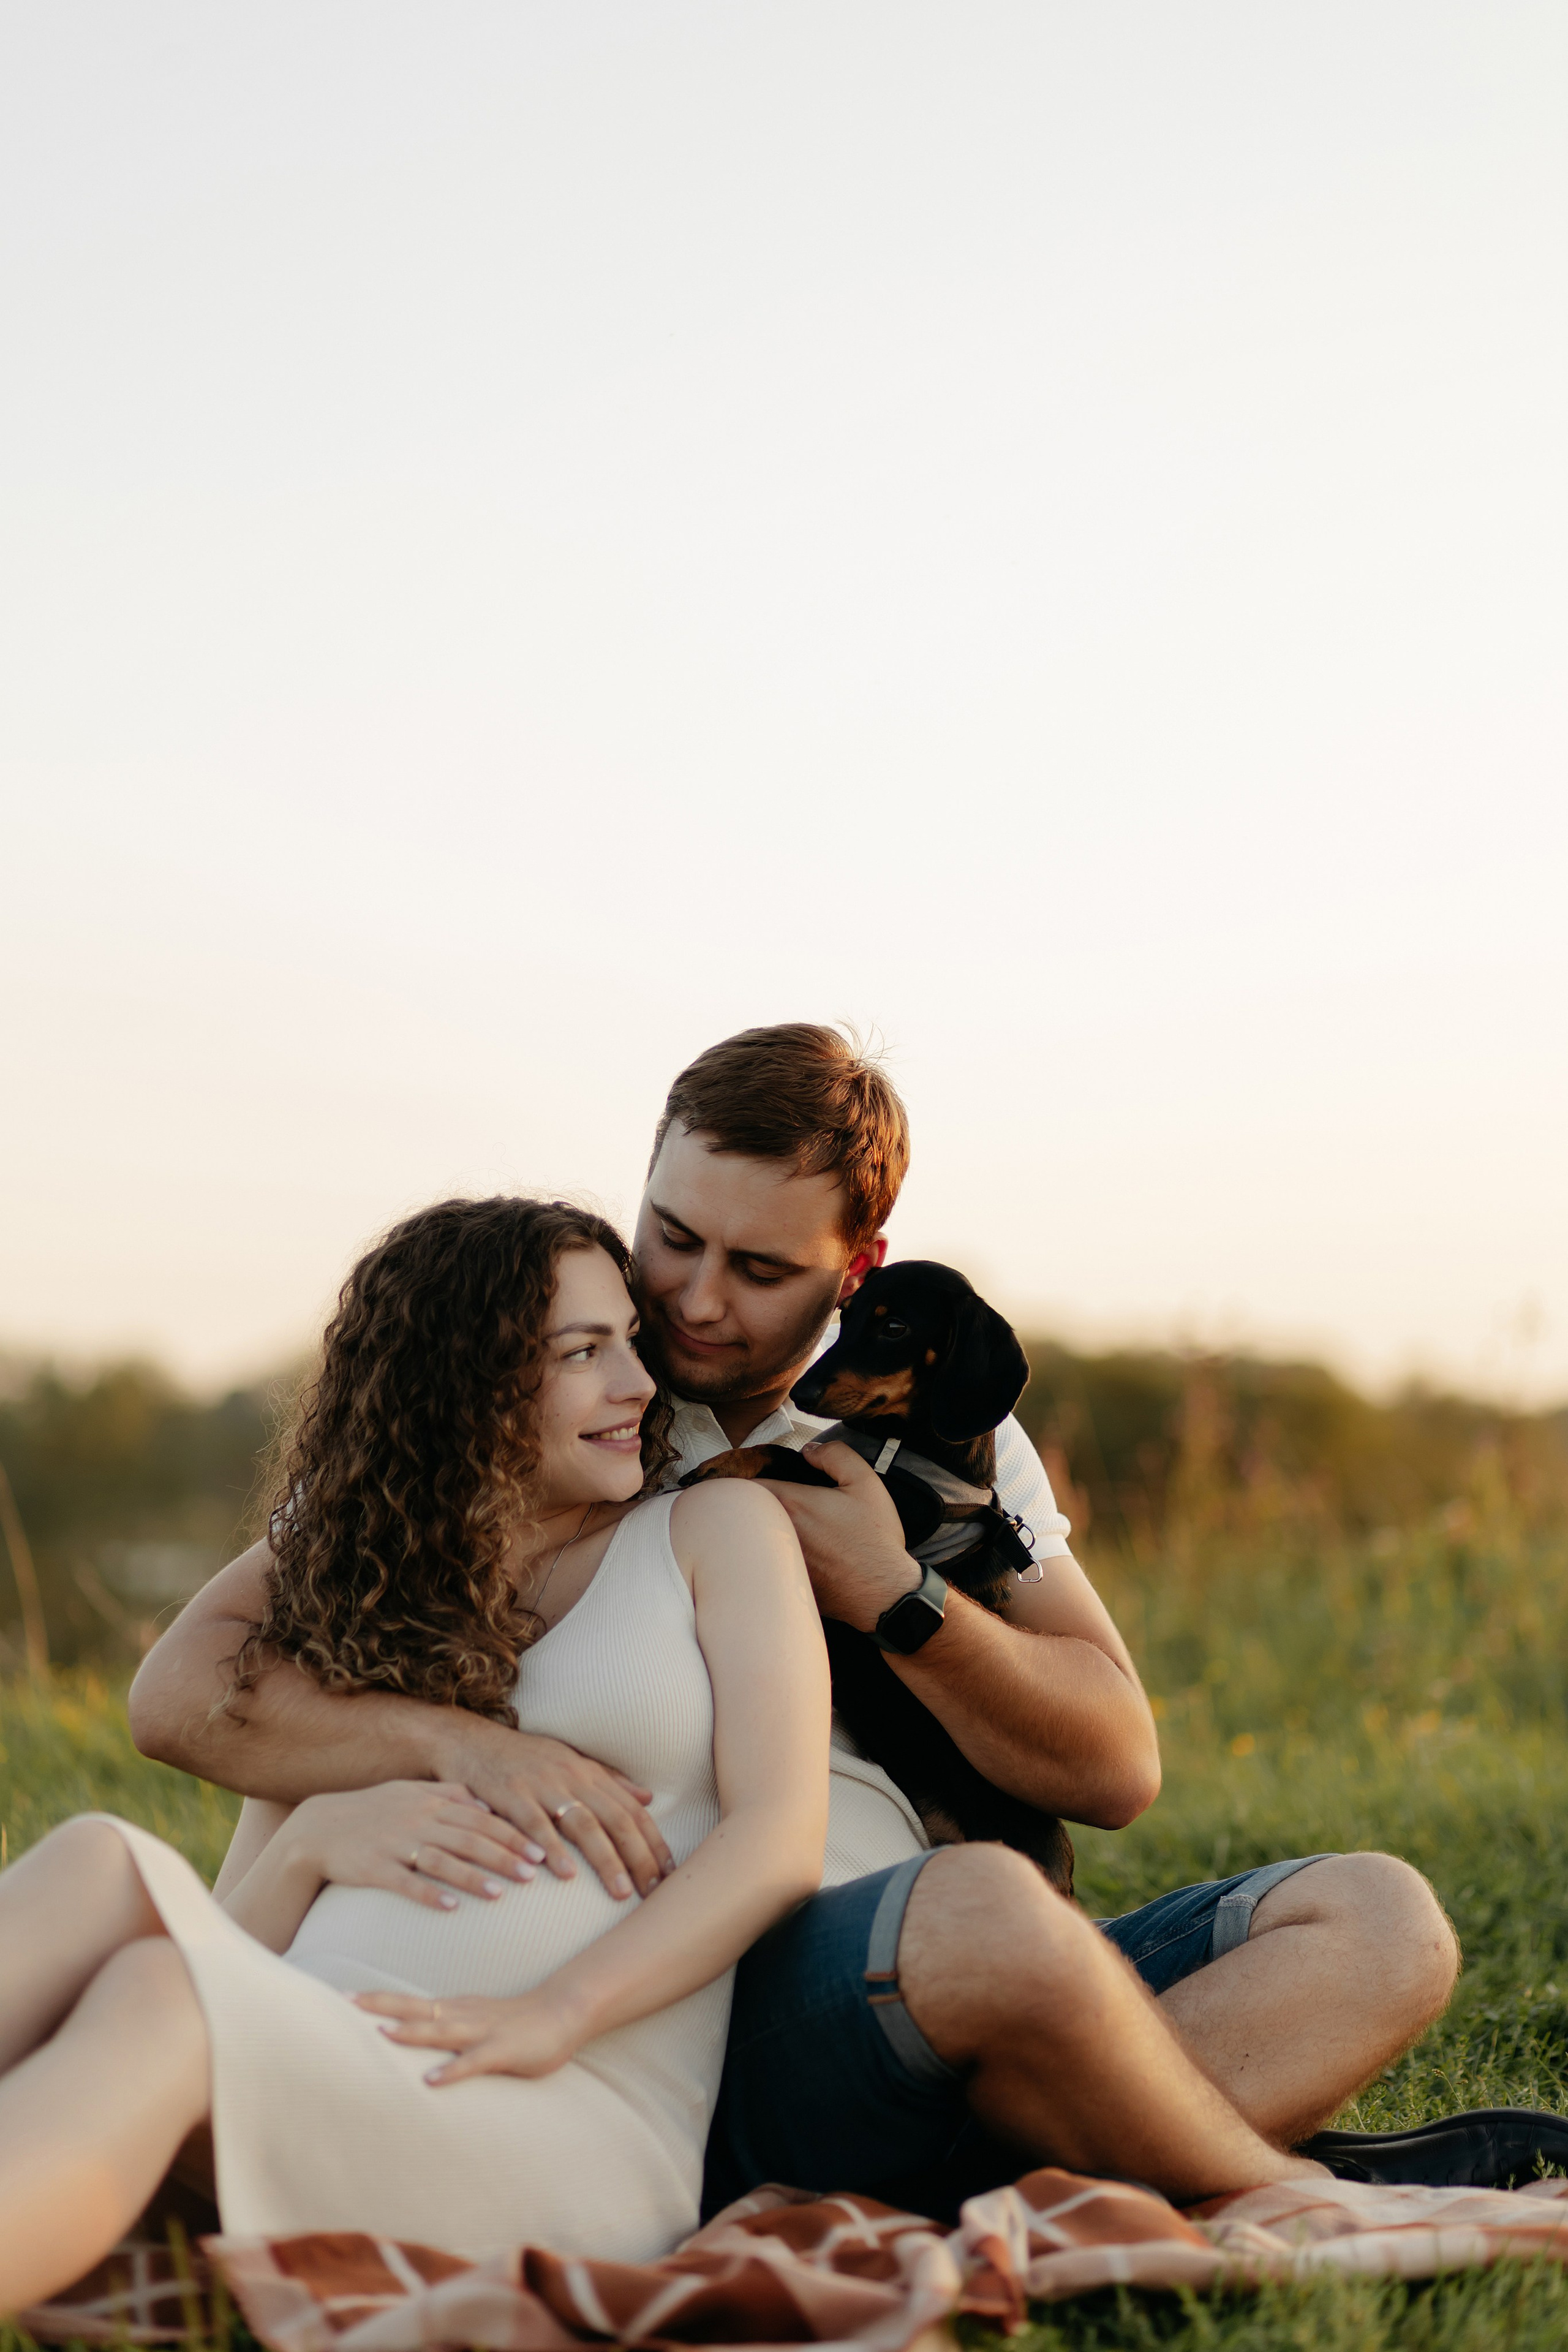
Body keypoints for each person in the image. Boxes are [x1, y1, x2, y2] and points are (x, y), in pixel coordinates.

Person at [135, 1026, 1554, 2207]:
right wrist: (468, 1751)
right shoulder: (534, 1383)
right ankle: (1213, 2168)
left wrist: (893, 1593)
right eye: (672, 1237)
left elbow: (1112, 1765)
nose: (690, 1303)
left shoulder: (931, 1430)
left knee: (1381, 1925)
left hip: (941, 1952)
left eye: (759, 1272)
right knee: (981, 1922)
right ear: (641, 1183)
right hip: (712, 1968)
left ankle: (1060, 2158)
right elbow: (186, 1689)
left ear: (856, 1267)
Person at [0, 1199, 830, 2318]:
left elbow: (777, 1844)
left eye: (627, 1342)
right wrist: (311, 1850)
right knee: (102, 1861)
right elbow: (236, 1937)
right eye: (585, 1354)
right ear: (466, 1387)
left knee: (159, 1993)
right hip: (323, 2047)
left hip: (551, 2106)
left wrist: (559, 2013)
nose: (640, 1384)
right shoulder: (360, 1600)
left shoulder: (712, 1535)